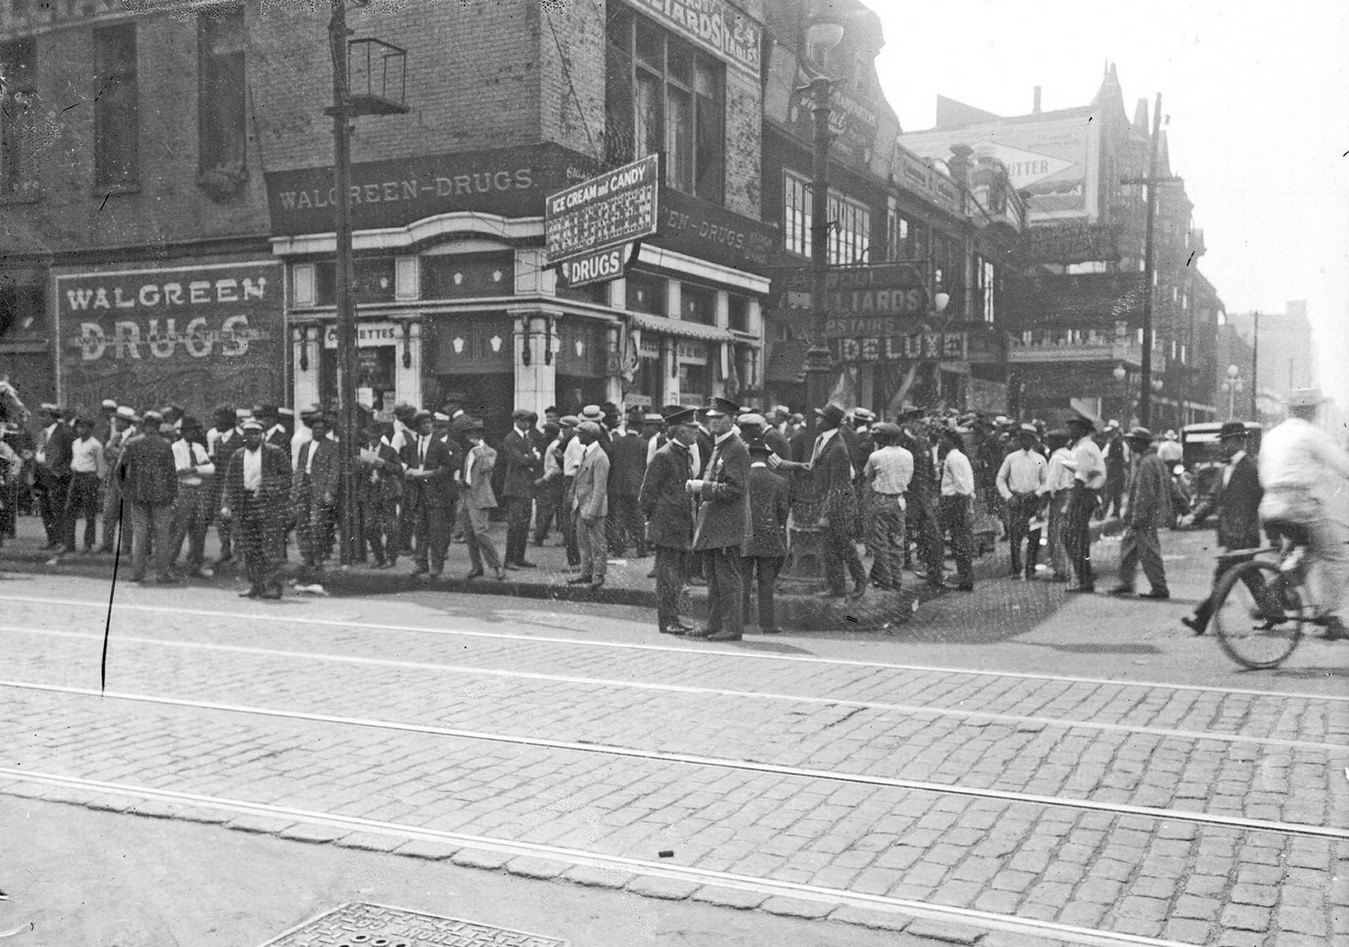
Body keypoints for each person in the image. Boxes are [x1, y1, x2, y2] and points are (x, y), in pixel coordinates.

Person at [1257, 387, 1349, 635]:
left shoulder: (1272, 435)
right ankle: (1329, 615)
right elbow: (1344, 467)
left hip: (1269, 505)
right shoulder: (1311, 434)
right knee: (1338, 556)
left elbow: (1264, 472)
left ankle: (1273, 593)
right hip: (1298, 504)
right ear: (1312, 410)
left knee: (1306, 551)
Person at [1180, 421, 1265, 634]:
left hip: (1243, 534)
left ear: (1238, 441)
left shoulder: (1250, 468)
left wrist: (1244, 530)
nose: (1222, 446)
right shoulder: (1224, 468)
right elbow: (1211, 499)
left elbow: (1255, 502)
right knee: (1249, 576)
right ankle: (1275, 612)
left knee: (1224, 577)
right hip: (1229, 534)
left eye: (1226, 441)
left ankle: (1201, 618)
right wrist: (1193, 516)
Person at [686, 397, 751, 640]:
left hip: (726, 524)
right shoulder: (721, 445)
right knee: (713, 579)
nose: (713, 422)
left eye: (719, 417)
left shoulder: (735, 448)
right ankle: (714, 624)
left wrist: (703, 487)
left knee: (727, 579)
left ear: (731, 419)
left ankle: (731, 627)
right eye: (711, 418)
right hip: (715, 523)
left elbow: (736, 489)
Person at [640, 406, 698, 636]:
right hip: (667, 526)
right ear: (680, 431)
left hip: (679, 525)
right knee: (667, 578)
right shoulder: (664, 455)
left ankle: (674, 618)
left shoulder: (683, 453)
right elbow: (647, 493)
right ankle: (667, 621)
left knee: (676, 578)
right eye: (692, 428)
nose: (696, 432)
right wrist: (653, 519)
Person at [221, 418, 291, 599]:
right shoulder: (237, 455)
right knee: (250, 547)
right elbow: (230, 481)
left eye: (255, 433)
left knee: (270, 547)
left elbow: (286, 477)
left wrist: (269, 488)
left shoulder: (274, 453)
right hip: (245, 504)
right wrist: (227, 503)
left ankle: (273, 585)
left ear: (262, 435)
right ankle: (256, 584)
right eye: (247, 434)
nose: (251, 437)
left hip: (267, 505)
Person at [811, 402, 867, 600]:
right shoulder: (822, 440)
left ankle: (860, 580)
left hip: (839, 505)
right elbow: (815, 467)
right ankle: (837, 587)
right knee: (829, 548)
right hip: (828, 501)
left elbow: (839, 485)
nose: (817, 419)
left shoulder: (838, 448)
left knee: (845, 546)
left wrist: (826, 514)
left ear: (829, 422)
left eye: (821, 417)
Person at [1110, 426, 1172, 600]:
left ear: (1139, 443)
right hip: (1146, 514)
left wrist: (1136, 516)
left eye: (1132, 441)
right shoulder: (1154, 460)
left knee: (1149, 552)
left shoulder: (1146, 463)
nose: (1130, 444)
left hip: (1144, 516)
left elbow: (1143, 494)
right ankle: (1125, 583)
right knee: (1128, 548)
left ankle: (1159, 587)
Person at [119, 412, 178, 584]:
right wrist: (173, 494)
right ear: (159, 425)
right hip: (162, 495)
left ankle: (138, 573)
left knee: (140, 535)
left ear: (143, 424)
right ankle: (162, 573)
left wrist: (125, 489)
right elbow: (171, 473)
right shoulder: (166, 444)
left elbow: (120, 468)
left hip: (138, 494)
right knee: (162, 535)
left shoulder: (132, 443)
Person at [741, 423, 789, 634]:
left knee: (742, 578)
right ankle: (767, 623)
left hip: (745, 534)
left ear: (750, 456)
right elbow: (783, 511)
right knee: (766, 581)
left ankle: (741, 619)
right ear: (766, 457)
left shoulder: (743, 479)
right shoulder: (778, 481)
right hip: (769, 535)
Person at [401, 410, 455, 580]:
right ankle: (420, 563)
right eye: (423, 424)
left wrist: (431, 474)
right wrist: (408, 473)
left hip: (435, 494)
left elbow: (448, 468)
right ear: (417, 428)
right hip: (418, 494)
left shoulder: (440, 446)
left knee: (436, 531)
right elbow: (406, 465)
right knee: (420, 530)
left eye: (429, 423)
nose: (427, 426)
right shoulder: (411, 447)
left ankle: (437, 566)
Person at [863, 421, 913, 592]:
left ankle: (885, 579)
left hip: (882, 499)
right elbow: (909, 478)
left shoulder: (876, 456)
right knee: (897, 541)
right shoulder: (908, 455)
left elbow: (867, 476)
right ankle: (897, 578)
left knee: (880, 542)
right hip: (900, 499)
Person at [898, 410, 946, 588]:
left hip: (922, 495)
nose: (923, 426)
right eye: (919, 422)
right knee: (905, 532)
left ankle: (934, 573)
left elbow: (929, 471)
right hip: (911, 494)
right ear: (910, 422)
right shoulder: (905, 441)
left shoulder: (923, 442)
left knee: (930, 534)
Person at [292, 411, 341, 577]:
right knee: (302, 523)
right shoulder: (305, 445)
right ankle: (307, 557)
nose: (317, 431)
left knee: (317, 525)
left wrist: (329, 491)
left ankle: (318, 558)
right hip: (304, 486)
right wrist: (296, 487)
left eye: (321, 428)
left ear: (326, 430)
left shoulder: (332, 446)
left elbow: (334, 471)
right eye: (315, 428)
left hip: (319, 489)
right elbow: (300, 467)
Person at [997, 423, 1048, 580]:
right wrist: (1008, 496)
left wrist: (1037, 494)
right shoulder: (1011, 458)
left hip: (1032, 501)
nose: (1026, 441)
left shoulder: (1039, 459)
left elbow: (1046, 480)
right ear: (1019, 440)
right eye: (1023, 438)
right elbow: (1000, 478)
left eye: (1029, 438)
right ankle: (1015, 569)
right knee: (1015, 537)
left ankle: (1030, 569)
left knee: (1034, 537)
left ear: (1034, 441)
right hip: (1016, 500)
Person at [1062, 411, 1106, 592]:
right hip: (1086, 495)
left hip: (1081, 496)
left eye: (1074, 427)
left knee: (1073, 538)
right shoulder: (1085, 447)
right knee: (1077, 539)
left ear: (1083, 430)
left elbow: (1081, 477)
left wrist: (1069, 505)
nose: (1070, 429)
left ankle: (1084, 580)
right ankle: (1084, 579)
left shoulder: (1083, 449)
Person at [168, 416, 215, 578]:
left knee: (199, 529)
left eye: (195, 430)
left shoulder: (198, 447)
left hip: (198, 490)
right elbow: (179, 471)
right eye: (190, 430)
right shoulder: (175, 448)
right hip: (184, 490)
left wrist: (194, 470)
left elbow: (210, 468)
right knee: (178, 529)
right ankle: (169, 565)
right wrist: (198, 469)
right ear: (184, 432)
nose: (193, 433)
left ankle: (196, 564)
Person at [459, 419, 505, 581]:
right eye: (469, 433)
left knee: (480, 532)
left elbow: (487, 467)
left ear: (480, 435)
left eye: (474, 433)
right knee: (469, 533)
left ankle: (497, 566)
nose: (471, 436)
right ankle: (476, 567)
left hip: (480, 496)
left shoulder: (489, 451)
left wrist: (479, 449)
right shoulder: (466, 451)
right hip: (466, 495)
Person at [355, 419, 404, 568]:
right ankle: (379, 556)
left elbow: (398, 469)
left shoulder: (389, 451)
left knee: (390, 526)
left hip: (387, 491)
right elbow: (357, 473)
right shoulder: (363, 450)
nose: (373, 440)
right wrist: (361, 464)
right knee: (370, 526)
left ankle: (391, 557)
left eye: (376, 437)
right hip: (370, 493)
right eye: (371, 437)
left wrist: (384, 464)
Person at [568, 420, 610, 591]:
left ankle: (598, 575)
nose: (577, 436)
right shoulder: (587, 453)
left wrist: (592, 512)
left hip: (592, 509)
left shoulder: (600, 457)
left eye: (580, 433)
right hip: (582, 506)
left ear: (590, 435)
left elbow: (600, 488)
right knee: (584, 543)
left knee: (597, 544)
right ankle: (586, 573)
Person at [501, 408, 542, 569]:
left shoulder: (528, 437)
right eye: (524, 421)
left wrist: (531, 458)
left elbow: (530, 458)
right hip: (515, 486)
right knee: (515, 524)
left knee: (524, 524)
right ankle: (509, 559)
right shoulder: (511, 438)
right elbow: (519, 460)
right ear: (516, 421)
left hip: (526, 485)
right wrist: (534, 457)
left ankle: (519, 557)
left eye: (528, 421)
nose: (527, 424)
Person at [606, 408, 650, 559]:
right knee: (638, 519)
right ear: (640, 427)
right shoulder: (644, 444)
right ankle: (641, 550)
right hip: (637, 488)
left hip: (618, 486)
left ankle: (618, 549)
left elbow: (611, 464)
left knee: (619, 519)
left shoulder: (616, 443)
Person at [937, 427, 976, 592]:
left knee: (960, 542)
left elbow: (962, 486)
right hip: (957, 501)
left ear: (950, 441)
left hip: (955, 501)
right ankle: (965, 578)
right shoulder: (958, 457)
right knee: (959, 541)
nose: (940, 442)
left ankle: (966, 579)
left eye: (943, 439)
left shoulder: (954, 458)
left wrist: (962, 506)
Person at [62, 416, 106, 554]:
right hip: (77, 476)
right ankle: (69, 543)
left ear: (90, 429)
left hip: (89, 477)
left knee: (89, 512)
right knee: (70, 510)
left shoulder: (95, 445)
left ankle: (88, 543)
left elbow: (101, 466)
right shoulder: (75, 443)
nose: (80, 429)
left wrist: (96, 480)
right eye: (78, 427)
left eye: (83, 427)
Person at [1036, 428, 1075, 581]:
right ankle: (1068, 569)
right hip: (1070, 495)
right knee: (1066, 535)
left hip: (1060, 496)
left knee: (1056, 535)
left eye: (1051, 440)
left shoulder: (1056, 458)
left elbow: (1050, 484)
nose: (1049, 443)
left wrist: (1042, 507)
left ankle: (1061, 571)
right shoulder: (1070, 454)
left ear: (1058, 441)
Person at [33, 403, 73, 550]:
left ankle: (62, 541)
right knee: (45, 508)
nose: (41, 418)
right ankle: (52, 539)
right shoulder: (42, 433)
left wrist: (61, 471)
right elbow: (39, 453)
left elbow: (70, 456)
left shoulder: (64, 432)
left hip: (56, 476)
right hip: (41, 474)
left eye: (44, 415)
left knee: (58, 508)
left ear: (53, 417)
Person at [207, 405, 242, 565]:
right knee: (221, 520)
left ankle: (238, 552)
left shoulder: (240, 440)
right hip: (220, 485)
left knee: (236, 520)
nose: (216, 423)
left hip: (235, 486)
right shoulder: (217, 441)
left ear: (229, 421)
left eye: (220, 420)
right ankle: (225, 549)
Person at [1101, 421, 1129, 520]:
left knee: (1110, 492)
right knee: (1116, 493)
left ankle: (1104, 513)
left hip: (1115, 469)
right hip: (1116, 469)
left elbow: (1117, 458)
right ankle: (1114, 512)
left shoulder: (1117, 442)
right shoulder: (1115, 441)